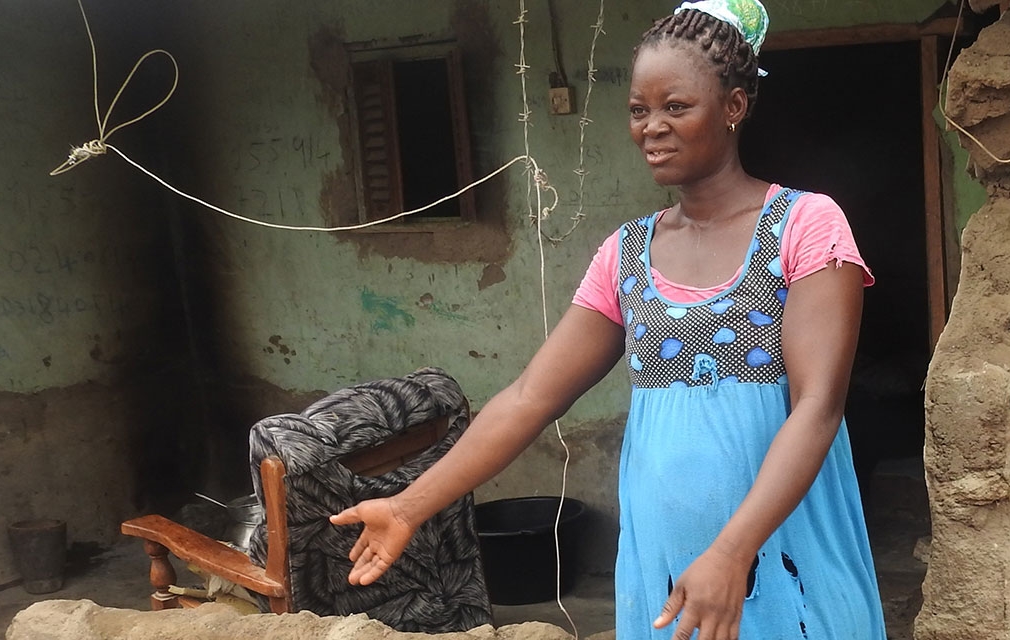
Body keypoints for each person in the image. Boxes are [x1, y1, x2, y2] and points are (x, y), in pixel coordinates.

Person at [328, 1, 886, 638]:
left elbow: (818, 407)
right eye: (639, 110)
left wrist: (733, 552)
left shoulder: (806, 226)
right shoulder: (627, 254)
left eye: (676, 107)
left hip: (785, 559)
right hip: (666, 570)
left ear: (733, 107)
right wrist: (409, 505)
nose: (652, 127)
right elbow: (529, 398)